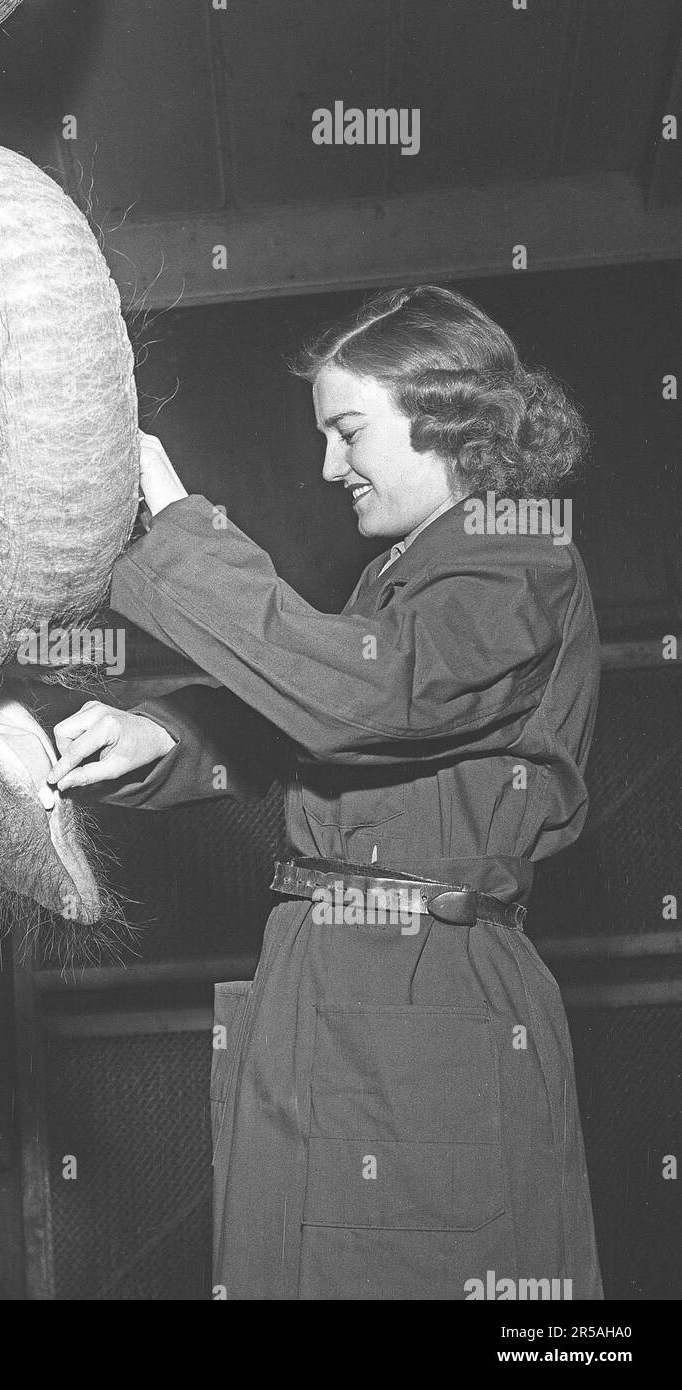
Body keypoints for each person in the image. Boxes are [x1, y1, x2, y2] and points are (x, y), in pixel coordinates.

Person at [46, 286, 603, 1300]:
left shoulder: (515, 554)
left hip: (422, 980)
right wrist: (159, 734)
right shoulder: (405, 571)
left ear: (443, 415)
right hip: (337, 971)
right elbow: (319, 722)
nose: (328, 466)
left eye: (348, 431)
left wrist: (179, 526)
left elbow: (370, 699)